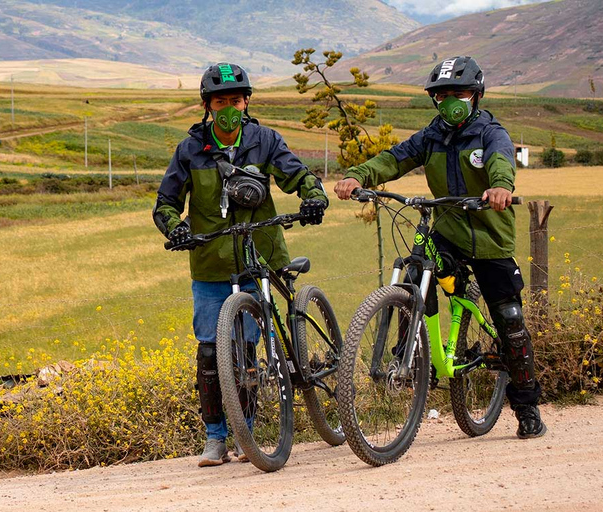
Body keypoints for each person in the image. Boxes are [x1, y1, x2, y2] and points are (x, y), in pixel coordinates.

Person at [334, 56, 546, 439]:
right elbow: (393, 159)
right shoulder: (431, 136)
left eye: (458, 93)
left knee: (510, 320)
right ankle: (416, 354)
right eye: (442, 95)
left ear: (476, 95)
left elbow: (501, 164)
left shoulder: (490, 134)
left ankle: (527, 406)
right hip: (447, 230)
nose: (450, 100)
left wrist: (500, 187)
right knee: (414, 272)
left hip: (490, 238)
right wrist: (356, 175)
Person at [153, 62, 329, 466]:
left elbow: (297, 174)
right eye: (221, 101)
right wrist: (175, 228)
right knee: (212, 354)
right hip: (211, 263)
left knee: (247, 349)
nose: (229, 107)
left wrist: (313, 195)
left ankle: (246, 434)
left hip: (261, 256)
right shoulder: (190, 149)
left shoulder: (264, 140)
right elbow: (165, 203)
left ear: (246, 102)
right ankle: (215, 439)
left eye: (235, 100)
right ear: (207, 105)